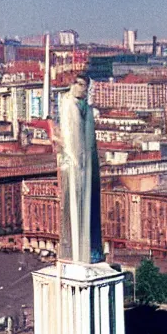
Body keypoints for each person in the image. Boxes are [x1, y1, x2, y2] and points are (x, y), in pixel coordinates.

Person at [55, 72, 103, 264]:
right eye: (81, 85)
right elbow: (71, 139)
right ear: (73, 85)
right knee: (74, 205)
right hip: (75, 167)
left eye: (86, 86)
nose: (84, 89)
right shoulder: (69, 105)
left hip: (87, 166)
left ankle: (91, 250)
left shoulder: (86, 108)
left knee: (89, 205)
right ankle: (74, 251)